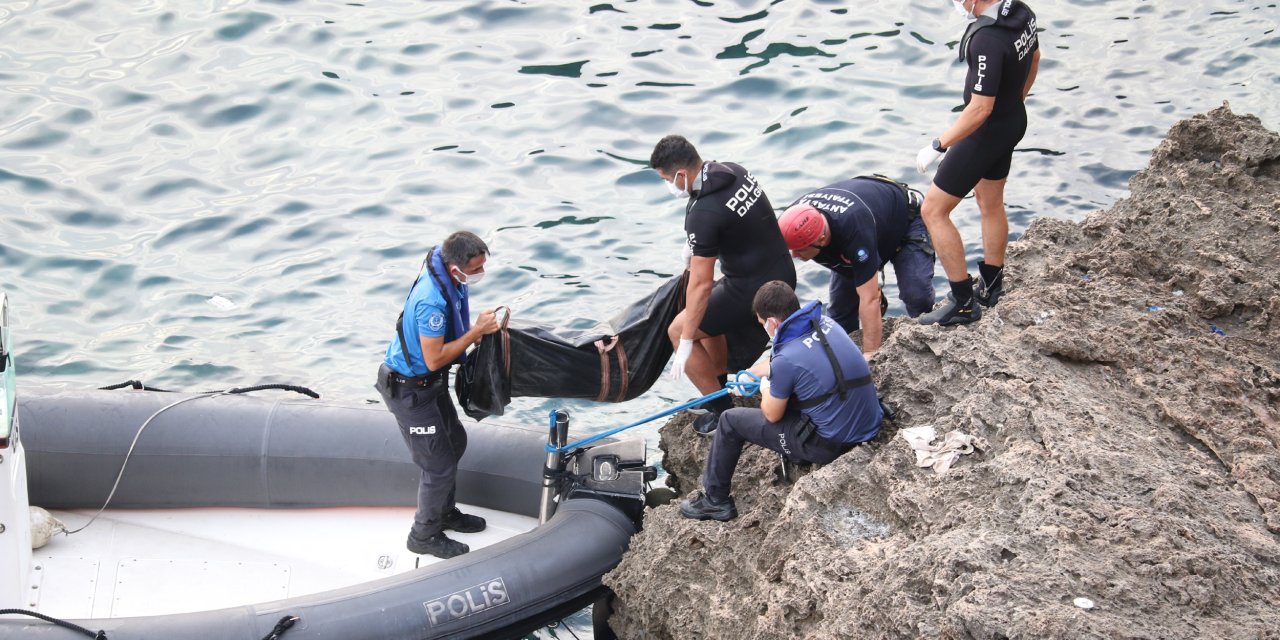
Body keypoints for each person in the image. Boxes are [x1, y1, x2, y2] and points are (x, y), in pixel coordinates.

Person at [679, 281, 883, 522]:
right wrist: (753, 373)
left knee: (729, 421)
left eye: (762, 322)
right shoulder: (825, 324)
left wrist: (766, 389)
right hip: (870, 424)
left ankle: (716, 501)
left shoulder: (786, 358)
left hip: (829, 445)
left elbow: (772, 414)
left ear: (772, 322)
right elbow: (792, 361)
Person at [650, 135, 797, 435]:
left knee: (679, 328)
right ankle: (718, 389)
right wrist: (695, 246)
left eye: (667, 179)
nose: (669, 186)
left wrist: (686, 339)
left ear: (681, 175)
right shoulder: (733, 171)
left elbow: (701, 284)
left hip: (753, 289)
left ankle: (724, 415)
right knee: (706, 317)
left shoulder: (702, 212)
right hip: (782, 271)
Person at [913, 0, 1041, 325]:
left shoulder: (987, 39)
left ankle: (963, 303)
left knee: (933, 210)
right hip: (1012, 121)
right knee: (990, 201)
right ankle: (991, 286)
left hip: (984, 133)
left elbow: (980, 109)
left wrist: (939, 144)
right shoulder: (1020, 11)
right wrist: (1016, 102)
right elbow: (1035, 58)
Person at [375, 231, 500, 559]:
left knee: (455, 442)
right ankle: (423, 534)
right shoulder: (432, 300)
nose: (478, 275)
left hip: (429, 386)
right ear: (455, 267)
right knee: (438, 465)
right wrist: (476, 332)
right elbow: (434, 358)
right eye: (474, 270)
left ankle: (445, 512)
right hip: (409, 391)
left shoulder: (449, 279)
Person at [777, 176, 936, 354]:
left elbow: (869, 300)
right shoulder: (792, 220)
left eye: (800, 250)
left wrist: (870, 357)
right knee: (840, 316)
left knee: (916, 294)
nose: (794, 255)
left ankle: (930, 342)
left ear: (821, 239)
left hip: (906, 220)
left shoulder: (853, 230)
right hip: (866, 228)